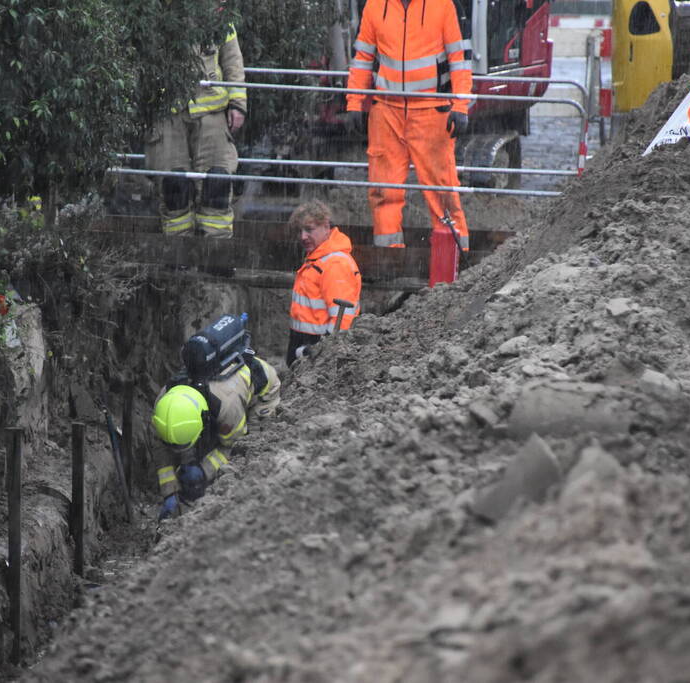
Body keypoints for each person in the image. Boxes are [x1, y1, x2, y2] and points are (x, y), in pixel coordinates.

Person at [345, 0, 473, 287]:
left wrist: (461, 105)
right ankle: (388, 263)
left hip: (431, 111)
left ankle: (455, 262)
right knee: (383, 189)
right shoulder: (375, 6)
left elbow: (459, 60)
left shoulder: (442, 6)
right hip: (386, 111)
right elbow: (363, 57)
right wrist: (354, 102)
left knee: (442, 191)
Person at [151, 331, 280, 520]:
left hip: (262, 392)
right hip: (218, 403)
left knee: (255, 445)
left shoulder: (226, 406)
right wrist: (169, 491)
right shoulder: (164, 404)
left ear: (201, 420)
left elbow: (236, 446)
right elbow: (161, 447)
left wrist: (205, 469)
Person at [145, 25, 246, 239]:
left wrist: (237, 104)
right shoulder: (155, 11)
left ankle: (216, 253)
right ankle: (177, 252)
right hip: (167, 112)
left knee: (217, 184)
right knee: (173, 187)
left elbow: (233, 62)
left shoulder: (219, 16)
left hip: (212, 111)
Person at [286, 200, 362, 367]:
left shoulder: (334, 264)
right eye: (300, 231)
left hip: (316, 353)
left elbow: (343, 320)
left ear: (326, 227)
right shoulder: (318, 258)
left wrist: (322, 354)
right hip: (308, 347)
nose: (303, 237)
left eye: (309, 230)